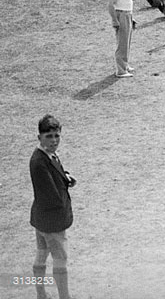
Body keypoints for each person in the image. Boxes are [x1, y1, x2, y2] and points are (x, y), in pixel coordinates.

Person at [30, 114, 75, 299]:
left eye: (57, 136)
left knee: (41, 256)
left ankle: (41, 295)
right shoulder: (39, 162)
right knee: (60, 259)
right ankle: (64, 297)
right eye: (49, 136)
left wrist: (66, 177)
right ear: (39, 137)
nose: (54, 141)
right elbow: (52, 196)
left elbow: (55, 172)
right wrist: (64, 194)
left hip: (41, 218)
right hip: (52, 221)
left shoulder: (46, 155)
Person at [108, 0, 135, 78]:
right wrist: (115, 20)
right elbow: (110, 5)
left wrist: (131, 18)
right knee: (122, 43)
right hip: (121, 15)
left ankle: (125, 65)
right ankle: (121, 70)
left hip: (127, 14)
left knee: (127, 42)